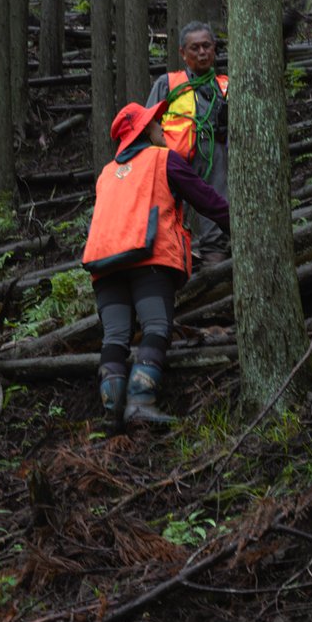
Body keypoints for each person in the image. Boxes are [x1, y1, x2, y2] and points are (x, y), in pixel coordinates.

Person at [81, 101, 231, 430]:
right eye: (155, 123)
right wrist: (238, 225)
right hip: (149, 258)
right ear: (144, 131)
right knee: (156, 327)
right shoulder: (164, 160)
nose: (162, 126)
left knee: (115, 337)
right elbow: (207, 199)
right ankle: (140, 401)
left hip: (104, 265)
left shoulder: (107, 174)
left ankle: (112, 413)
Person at [147, 22, 229, 264]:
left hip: (216, 156)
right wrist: (163, 147)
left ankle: (214, 259)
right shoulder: (168, 83)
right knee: (169, 210)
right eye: (195, 48)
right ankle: (169, 257)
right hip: (175, 160)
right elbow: (148, 121)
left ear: (214, 48)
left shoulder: (225, 84)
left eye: (207, 46)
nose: (202, 52)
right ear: (183, 53)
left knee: (214, 204)